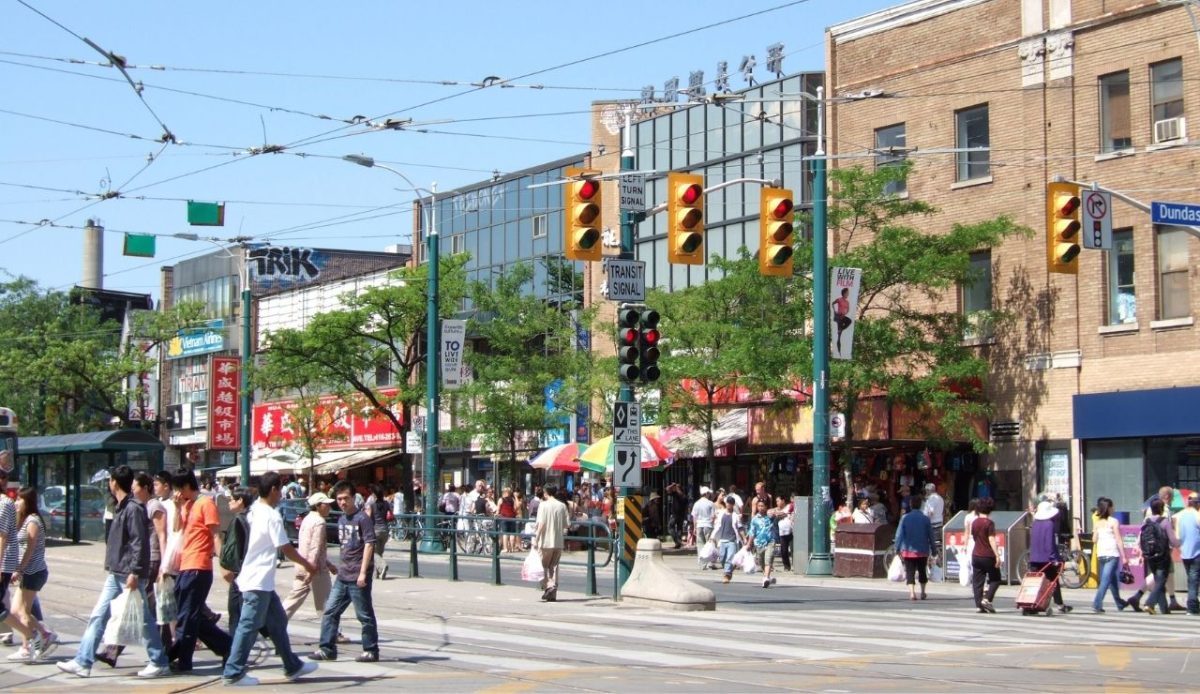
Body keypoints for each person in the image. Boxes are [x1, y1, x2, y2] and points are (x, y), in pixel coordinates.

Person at [57, 465, 170, 679]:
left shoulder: (133, 508)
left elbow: (139, 542)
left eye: (109, 480)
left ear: (114, 483)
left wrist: (135, 572)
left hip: (128, 573)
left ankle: (159, 661)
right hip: (117, 572)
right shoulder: (122, 506)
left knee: (143, 619)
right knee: (99, 616)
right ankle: (83, 661)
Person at [221, 471, 318, 686]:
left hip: (259, 579)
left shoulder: (255, 510)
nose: (282, 495)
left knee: (278, 621)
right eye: (280, 490)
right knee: (248, 625)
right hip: (257, 580)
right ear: (274, 490)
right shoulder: (272, 515)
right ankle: (233, 671)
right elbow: (284, 547)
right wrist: (308, 564)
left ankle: (292, 665)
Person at [97, 472, 168, 668]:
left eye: (136, 487)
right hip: (137, 563)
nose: (134, 490)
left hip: (150, 561)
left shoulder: (151, 506)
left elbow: (159, 536)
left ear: (145, 488)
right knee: (137, 610)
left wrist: (164, 563)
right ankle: (108, 652)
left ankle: (161, 656)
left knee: (142, 612)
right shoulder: (133, 506)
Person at [167, 467, 231, 672]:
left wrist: (223, 562)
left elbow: (215, 534)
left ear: (186, 486)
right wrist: (178, 507)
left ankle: (183, 660)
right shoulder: (187, 505)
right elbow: (178, 528)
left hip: (199, 565)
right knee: (190, 615)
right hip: (185, 564)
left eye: (178, 488)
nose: (177, 493)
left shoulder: (206, 503)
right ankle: (227, 647)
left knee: (188, 616)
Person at [310, 481, 380, 663]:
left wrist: (363, 572)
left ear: (353, 498)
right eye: (339, 499)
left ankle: (371, 650)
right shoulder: (341, 519)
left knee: (364, 615)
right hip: (343, 574)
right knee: (330, 611)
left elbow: (369, 544)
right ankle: (327, 648)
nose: (342, 503)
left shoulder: (362, 518)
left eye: (345, 499)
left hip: (357, 574)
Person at [0, 467, 56, 660]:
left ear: (28, 501)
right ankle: (41, 636)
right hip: (28, 571)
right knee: (20, 610)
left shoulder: (32, 521)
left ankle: (31, 642)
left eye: (20, 500)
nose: (16, 502)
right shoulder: (23, 519)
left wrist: (19, 569)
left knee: (21, 610)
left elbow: (30, 548)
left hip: (33, 571)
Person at [284, 492, 334, 620]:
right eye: (326, 504)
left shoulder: (307, 519)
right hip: (316, 568)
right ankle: (331, 632)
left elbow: (308, 546)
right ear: (317, 506)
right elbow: (315, 547)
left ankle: (275, 624)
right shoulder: (319, 522)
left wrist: (329, 564)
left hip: (302, 564)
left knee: (293, 598)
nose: (329, 507)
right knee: (326, 602)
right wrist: (312, 569)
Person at [1130, 498, 1179, 615]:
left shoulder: (1147, 522)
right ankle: (1150, 603)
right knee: (1161, 580)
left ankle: (1164, 608)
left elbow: (1141, 537)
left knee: (1158, 579)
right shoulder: (1164, 522)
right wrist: (1181, 541)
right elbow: (1173, 541)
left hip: (1150, 555)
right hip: (1163, 555)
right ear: (1162, 509)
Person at [1027, 496, 1072, 614]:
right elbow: (1049, 543)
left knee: (1035, 582)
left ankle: (1030, 603)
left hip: (1034, 557)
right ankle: (1057, 604)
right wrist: (1054, 558)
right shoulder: (1049, 524)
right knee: (1053, 580)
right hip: (1046, 558)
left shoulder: (1035, 523)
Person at [1091, 497, 1129, 613]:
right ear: (1109, 508)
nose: (1114, 508)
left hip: (1101, 554)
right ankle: (1097, 603)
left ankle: (1119, 603)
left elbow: (1094, 539)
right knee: (1106, 580)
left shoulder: (1097, 523)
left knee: (1111, 579)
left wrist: (1098, 533)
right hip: (1112, 553)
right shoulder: (1114, 521)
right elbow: (1118, 539)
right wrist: (1124, 556)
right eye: (1112, 506)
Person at [533, 484, 569, 602]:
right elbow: (567, 524)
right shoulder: (562, 506)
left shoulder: (543, 505)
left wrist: (536, 539)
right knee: (554, 567)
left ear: (545, 492)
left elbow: (541, 523)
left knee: (542, 566)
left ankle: (549, 586)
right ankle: (552, 593)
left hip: (545, 541)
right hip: (558, 541)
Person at [894, 494, 934, 601]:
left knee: (910, 571)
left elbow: (899, 535)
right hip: (922, 550)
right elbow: (931, 535)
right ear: (921, 505)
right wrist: (934, 549)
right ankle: (923, 592)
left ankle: (912, 593)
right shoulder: (926, 519)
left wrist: (896, 548)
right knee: (922, 570)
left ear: (911, 505)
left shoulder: (905, 518)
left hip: (908, 550)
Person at [970, 496, 1001, 613]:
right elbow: (992, 539)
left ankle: (979, 605)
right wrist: (997, 555)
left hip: (976, 554)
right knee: (996, 579)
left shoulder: (974, 522)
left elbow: (974, 537)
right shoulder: (989, 523)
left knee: (977, 581)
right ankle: (987, 599)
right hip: (988, 555)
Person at [712, 496, 745, 584]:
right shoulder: (721, 514)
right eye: (727, 503)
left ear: (733, 505)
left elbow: (740, 528)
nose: (728, 505)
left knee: (729, 557)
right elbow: (716, 526)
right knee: (722, 558)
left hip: (732, 540)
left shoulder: (735, 516)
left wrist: (744, 539)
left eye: (730, 503)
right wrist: (712, 537)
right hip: (722, 540)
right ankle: (729, 571)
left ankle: (726, 574)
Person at [1177, 492, 1200, 615]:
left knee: (1191, 580)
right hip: (1196, 553)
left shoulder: (1181, 515)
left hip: (1185, 553)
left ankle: (1194, 604)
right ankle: (1192, 607)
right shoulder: (1197, 515)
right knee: (1193, 580)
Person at [748, 499, 778, 589]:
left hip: (770, 541)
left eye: (762, 506)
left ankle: (765, 579)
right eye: (759, 506)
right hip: (759, 543)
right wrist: (749, 544)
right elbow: (752, 532)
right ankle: (768, 577)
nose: (760, 508)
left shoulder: (770, 516)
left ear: (766, 507)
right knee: (761, 562)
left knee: (768, 559)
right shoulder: (755, 519)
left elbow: (780, 513)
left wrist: (775, 512)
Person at [364, 483, 390, 580]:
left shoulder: (372, 504)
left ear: (374, 494)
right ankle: (378, 574)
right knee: (379, 552)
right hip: (385, 531)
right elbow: (389, 514)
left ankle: (383, 565)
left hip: (375, 530)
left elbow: (368, 517)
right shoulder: (386, 503)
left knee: (372, 553)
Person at [691, 487, 716, 569]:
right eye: (709, 493)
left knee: (700, 544)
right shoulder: (710, 503)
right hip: (708, 525)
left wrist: (694, 527)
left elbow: (694, 517)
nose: (710, 494)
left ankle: (702, 564)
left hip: (699, 525)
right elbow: (713, 517)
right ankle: (709, 563)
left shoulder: (696, 503)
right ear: (706, 494)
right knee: (709, 544)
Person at [921, 483, 945, 561]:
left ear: (928, 491)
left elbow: (930, 512)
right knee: (936, 543)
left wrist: (924, 520)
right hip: (939, 523)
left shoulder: (932, 499)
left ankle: (930, 560)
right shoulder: (940, 498)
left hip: (932, 524)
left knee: (928, 543)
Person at [773, 496, 794, 572]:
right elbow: (771, 513)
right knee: (784, 551)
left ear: (783, 500)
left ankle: (796, 566)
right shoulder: (776, 509)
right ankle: (786, 566)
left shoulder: (788, 506)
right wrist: (777, 513)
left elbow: (784, 513)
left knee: (793, 550)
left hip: (791, 532)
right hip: (782, 533)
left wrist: (779, 513)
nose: (777, 503)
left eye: (778, 501)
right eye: (776, 501)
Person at [666, 483, 688, 549]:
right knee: (678, 529)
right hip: (677, 514)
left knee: (670, 527)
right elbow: (667, 489)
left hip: (677, 515)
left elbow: (682, 497)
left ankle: (678, 541)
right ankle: (678, 543)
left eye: (677, 487)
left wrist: (677, 488)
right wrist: (672, 485)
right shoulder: (675, 494)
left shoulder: (682, 496)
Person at [498, 487, 519, 553]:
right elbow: (516, 508)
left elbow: (498, 509)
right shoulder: (512, 499)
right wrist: (515, 497)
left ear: (504, 492)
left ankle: (505, 548)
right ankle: (512, 548)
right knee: (512, 533)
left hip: (504, 518)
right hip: (512, 517)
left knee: (505, 533)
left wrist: (497, 514)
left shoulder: (501, 499)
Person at [833, 286, 853, 355]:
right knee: (839, 337)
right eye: (847, 293)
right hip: (839, 317)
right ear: (844, 293)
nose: (848, 294)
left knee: (849, 321)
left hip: (843, 316)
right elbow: (833, 303)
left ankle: (841, 329)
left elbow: (848, 310)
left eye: (848, 293)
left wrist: (845, 313)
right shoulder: (839, 299)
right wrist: (835, 311)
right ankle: (839, 351)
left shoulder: (847, 302)